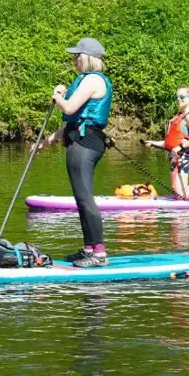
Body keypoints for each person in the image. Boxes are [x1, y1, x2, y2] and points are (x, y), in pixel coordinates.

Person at [38, 37, 113, 267]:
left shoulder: (92, 80)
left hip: (86, 142)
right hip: (78, 138)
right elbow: (73, 119)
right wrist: (47, 141)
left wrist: (59, 95)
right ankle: (89, 248)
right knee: (80, 197)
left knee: (84, 197)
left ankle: (99, 254)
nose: (74, 59)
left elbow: (69, 108)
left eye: (76, 55)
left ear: (87, 58)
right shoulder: (83, 80)